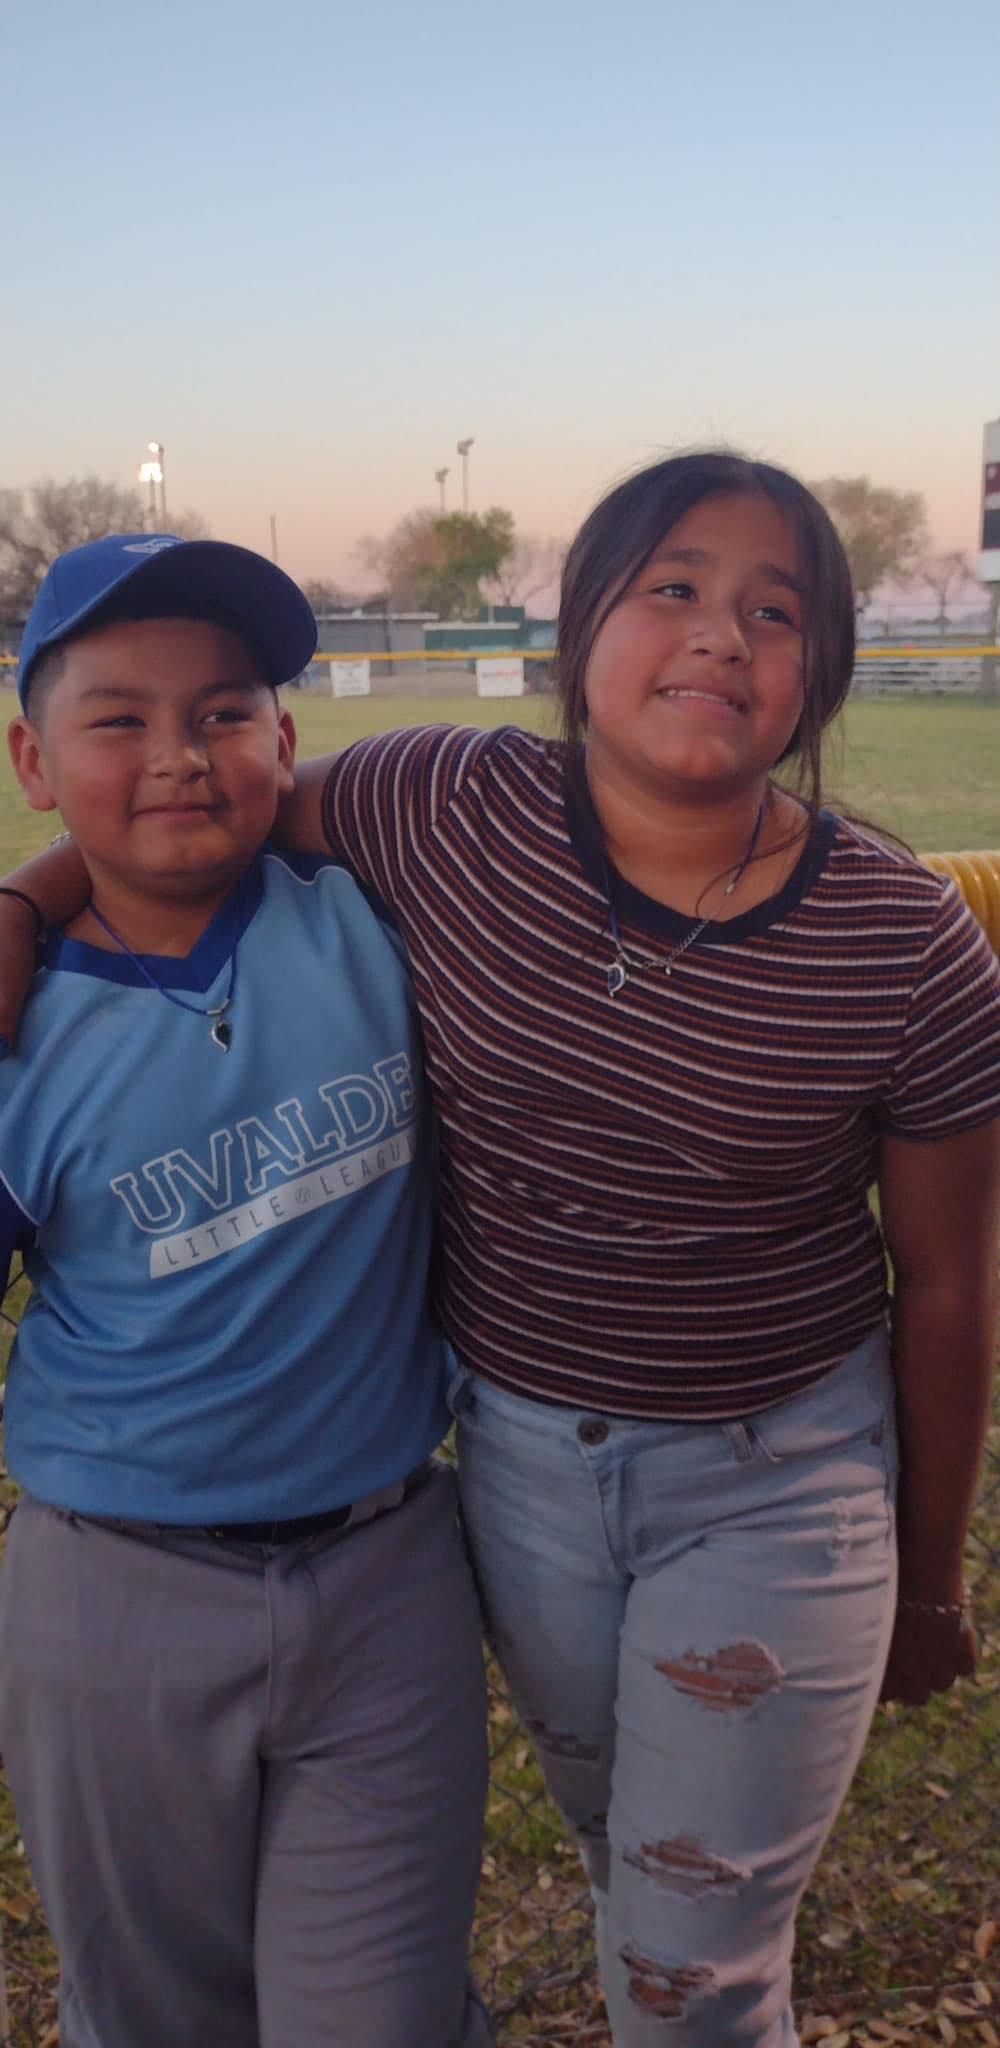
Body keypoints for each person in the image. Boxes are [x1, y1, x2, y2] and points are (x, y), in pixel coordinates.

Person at [4, 453, 1000, 2046]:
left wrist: (935, 1579)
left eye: (776, 610)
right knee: (618, 1866)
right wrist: (25, 899)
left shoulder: (902, 937)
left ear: (825, 667)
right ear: (579, 628)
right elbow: (179, 820)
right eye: (671, 587)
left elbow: (947, 1281)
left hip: (751, 1472)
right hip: (518, 1474)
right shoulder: (444, 806)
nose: (720, 634)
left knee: (684, 1966)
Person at [0, 534, 492, 2048]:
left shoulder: (369, 915)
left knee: (381, 2017)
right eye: (120, 719)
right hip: (116, 1588)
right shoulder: (20, 1028)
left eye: (224, 712)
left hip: (387, 1569)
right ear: (32, 761)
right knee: (155, 2015)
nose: (179, 755)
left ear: (284, 741)